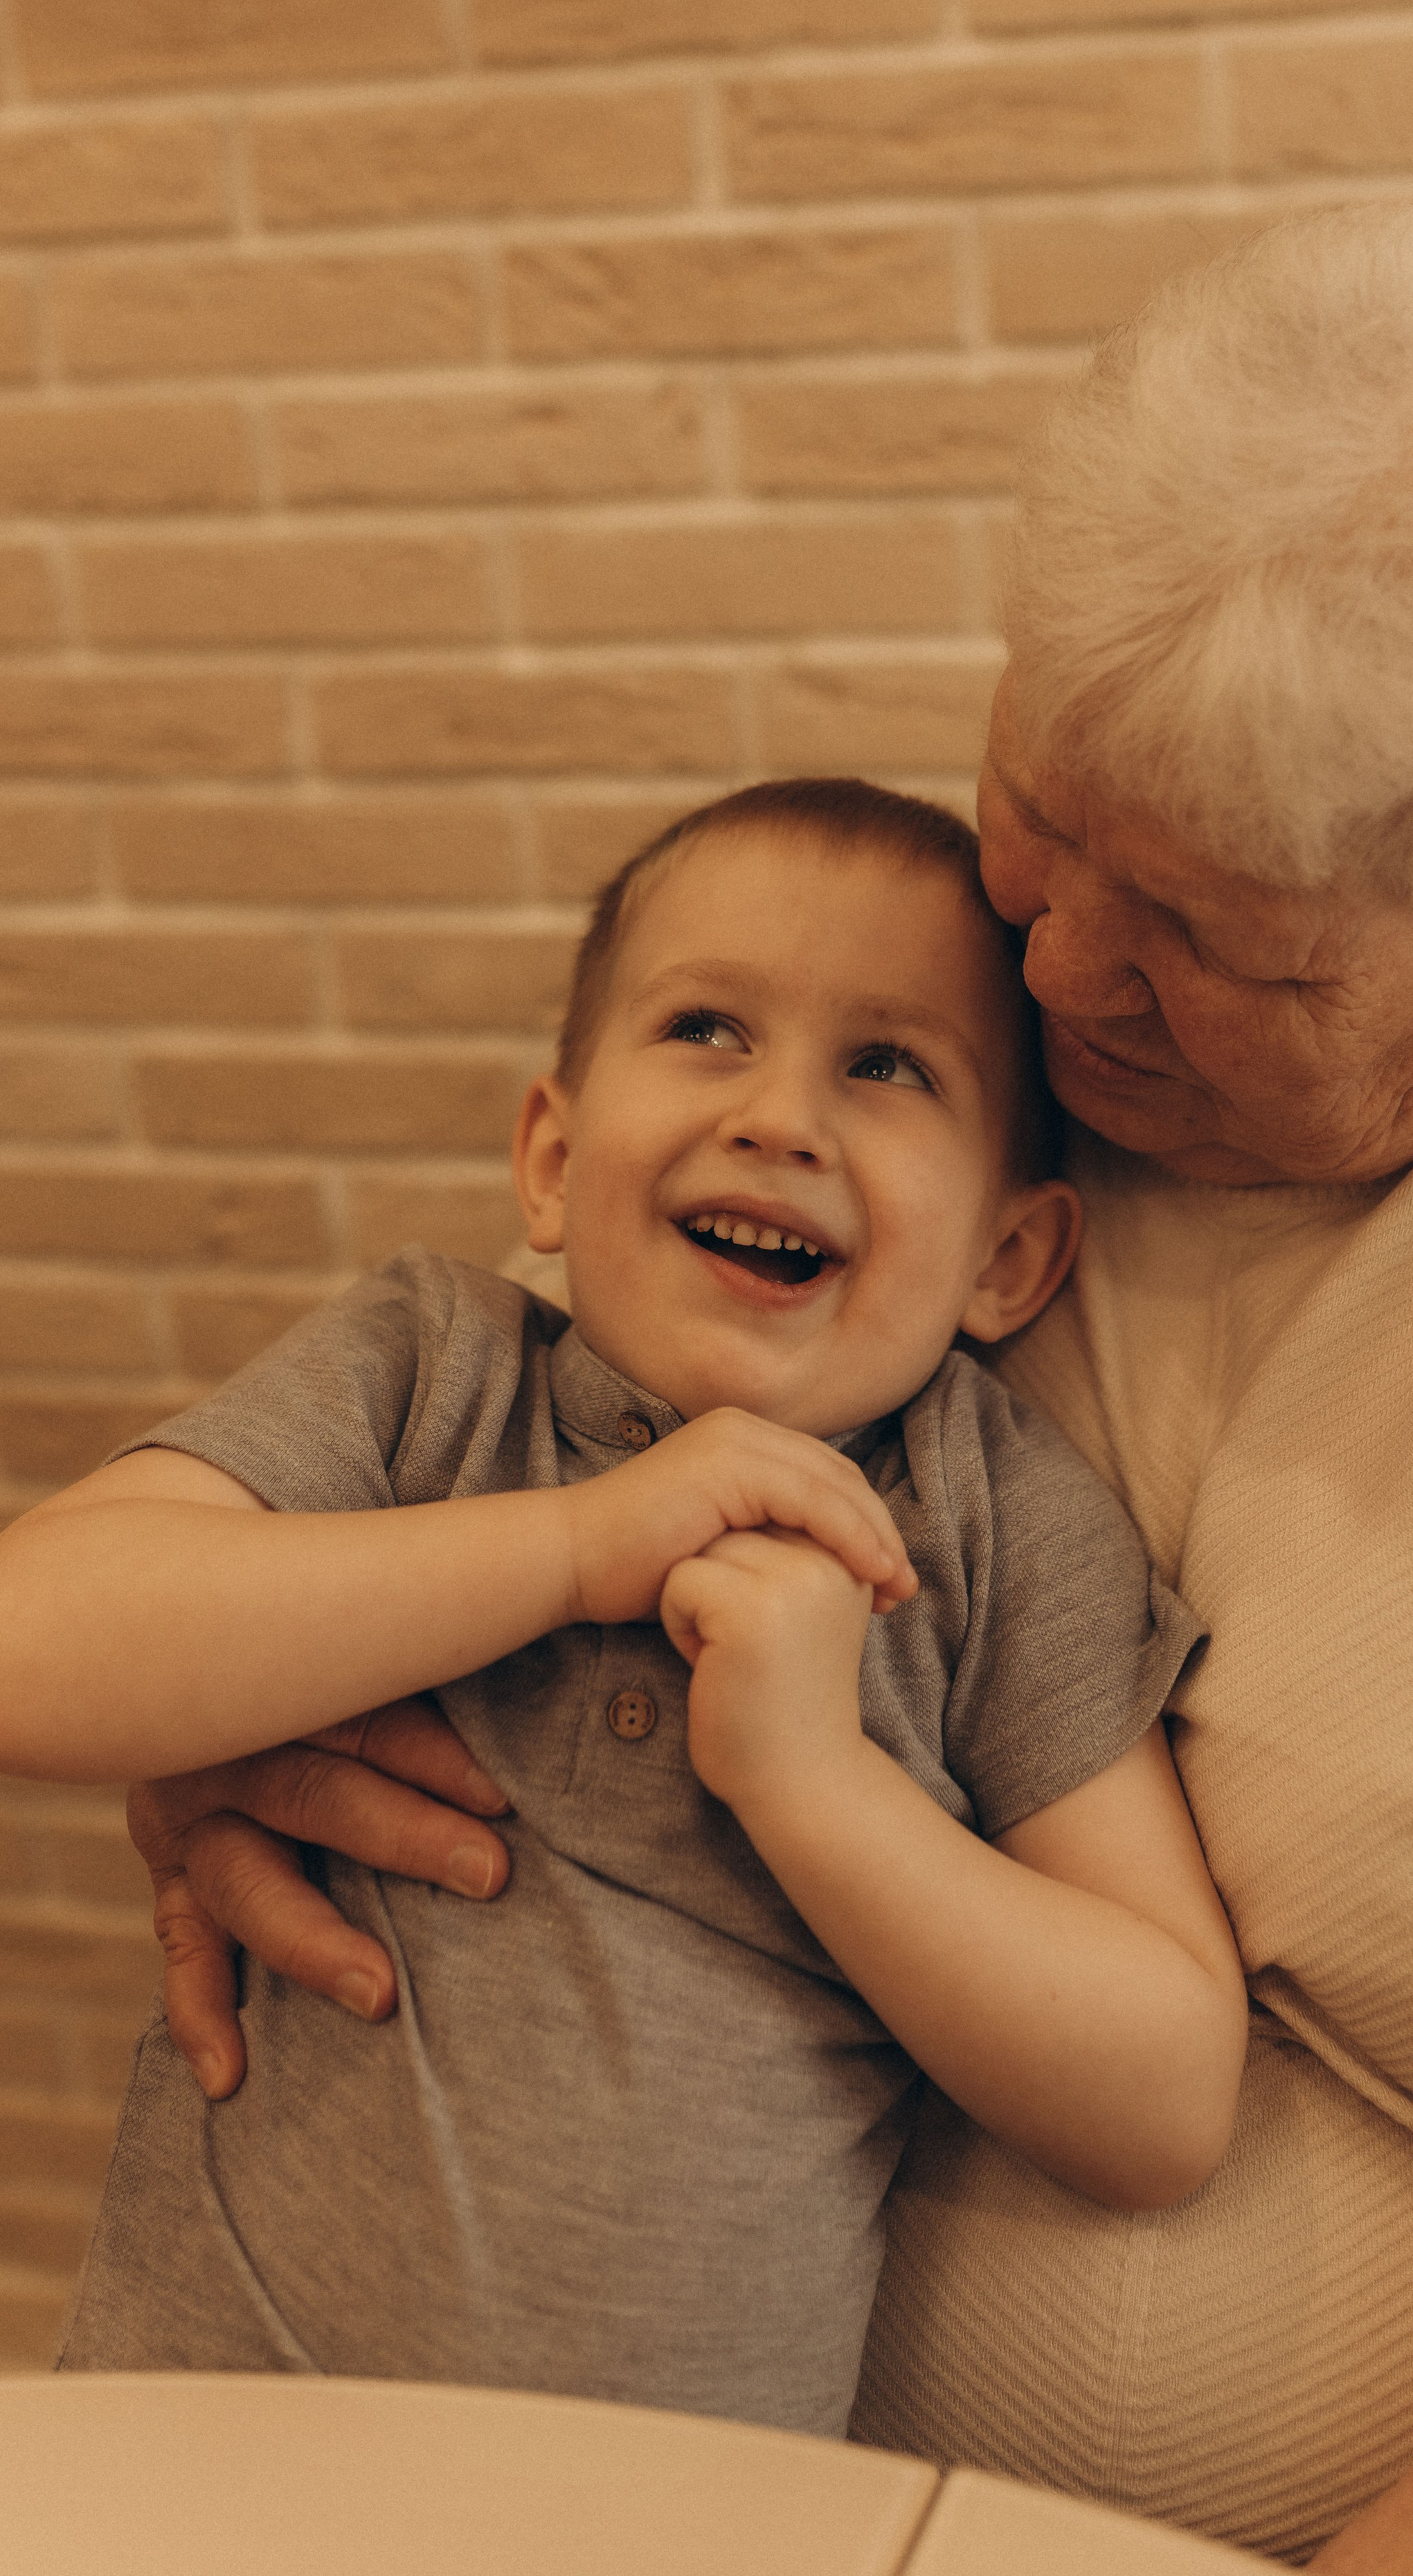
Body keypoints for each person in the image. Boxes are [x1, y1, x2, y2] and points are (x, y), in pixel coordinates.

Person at [120, 197, 1413, 2570]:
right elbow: (489, 1452)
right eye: (1047, 806)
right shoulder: (905, 1046)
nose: (1057, 969)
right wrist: (245, 1713)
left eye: (1205, 936)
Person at [1, 783, 1246, 2428]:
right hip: (207, 2449)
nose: (780, 1118)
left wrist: (816, 1784)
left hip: (677, 2514)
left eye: (887, 1065)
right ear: (553, 1159)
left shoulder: (989, 1521)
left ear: (1008, 1263)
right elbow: (33, 1649)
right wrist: (577, 1546)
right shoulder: (427, 1374)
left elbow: (1161, 2102)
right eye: (708, 1029)